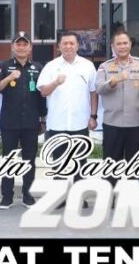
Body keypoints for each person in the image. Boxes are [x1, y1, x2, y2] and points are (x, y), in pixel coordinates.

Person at [0, 31, 45, 209]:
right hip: (9, 121)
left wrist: (43, 119)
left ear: (30, 47)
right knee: (8, 160)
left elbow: (42, 96)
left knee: (29, 160)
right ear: (13, 47)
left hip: (31, 121)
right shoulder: (3, 67)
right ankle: (7, 196)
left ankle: (28, 195)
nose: (21, 47)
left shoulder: (38, 67)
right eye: (18, 44)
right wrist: (9, 77)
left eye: (24, 44)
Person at [96, 30, 139, 189]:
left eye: (125, 43)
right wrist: (114, 80)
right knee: (111, 164)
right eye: (119, 44)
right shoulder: (104, 67)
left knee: (137, 163)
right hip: (112, 123)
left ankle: (137, 194)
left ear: (130, 45)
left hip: (137, 122)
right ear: (112, 46)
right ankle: (109, 195)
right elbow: (99, 89)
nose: (122, 46)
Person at [38, 31, 98, 187]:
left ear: (77, 45)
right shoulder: (51, 66)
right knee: (58, 164)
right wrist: (56, 83)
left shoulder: (88, 65)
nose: (68, 46)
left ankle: (79, 195)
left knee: (81, 164)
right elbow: (43, 92)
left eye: (72, 43)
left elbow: (93, 92)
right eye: (64, 43)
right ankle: (60, 195)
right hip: (57, 124)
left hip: (80, 123)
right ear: (59, 46)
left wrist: (93, 116)